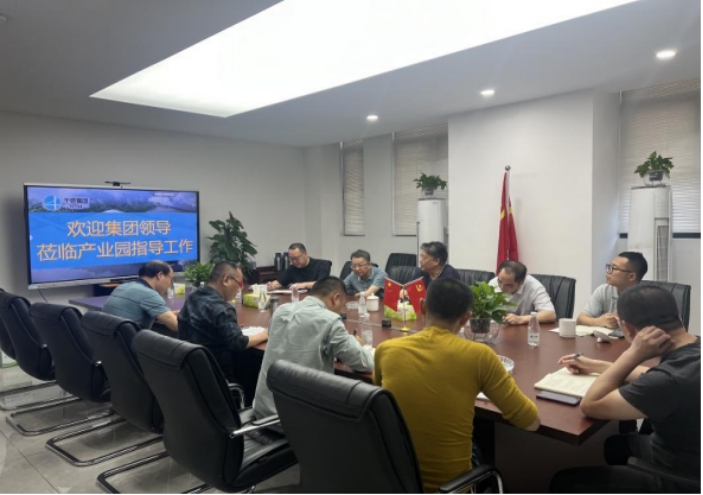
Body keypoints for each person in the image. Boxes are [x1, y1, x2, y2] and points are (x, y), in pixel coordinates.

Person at [374, 278, 541, 493]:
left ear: (422, 306)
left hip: (393, 483)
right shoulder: (479, 356)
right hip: (451, 489)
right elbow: (530, 422)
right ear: (466, 318)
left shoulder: (386, 350)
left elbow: (383, 403)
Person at [550, 285, 700, 493]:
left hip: (680, 479)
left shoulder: (667, 381)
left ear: (627, 329)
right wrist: (597, 366)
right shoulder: (692, 350)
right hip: (688, 451)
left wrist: (633, 354)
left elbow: (591, 404)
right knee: (615, 446)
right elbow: (652, 375)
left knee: (564, 481)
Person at [253, 276, 373, 423]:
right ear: (336, 298)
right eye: (342, 306)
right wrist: (357, 345)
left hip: (263, 414)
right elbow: (365, 363)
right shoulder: (329, 321)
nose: (340, 312)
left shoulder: (281, 310)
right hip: (300, 423)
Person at [179, 261, 269, 382]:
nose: (240, 289)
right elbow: (238, 343)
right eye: (239, 283)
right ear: (226, 279)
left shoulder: (193, 296)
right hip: (217, 376)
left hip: (190, 372)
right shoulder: (222, 308)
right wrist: (265, 334)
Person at [577, 251, 648, 328]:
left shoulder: (646, 299)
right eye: (609, 267)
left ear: (631, 277)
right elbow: (580, 319)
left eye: (614, 268)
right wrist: (599, 321)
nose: (608, 271)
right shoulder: (604, 290)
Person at [102, 260, 178, 331]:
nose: (170, 283)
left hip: (107, 338)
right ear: (160, 275)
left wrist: (168, 314)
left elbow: (132, 313)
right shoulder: (149, 294)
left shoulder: (123, 286)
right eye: (171, 279)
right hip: (130, 339)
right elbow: (176, 326)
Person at [489, 260, 556, 325]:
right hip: (500, 328)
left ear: (521, 281)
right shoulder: (493, 283)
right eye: (500, 281)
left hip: (525, 330)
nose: (502, 287)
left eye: (508, 285)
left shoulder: (534, 287)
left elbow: (550, 314)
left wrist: (521, 319)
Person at [266, 243, 331, 291]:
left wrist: (303, 285)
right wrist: (272, 285)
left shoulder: (322, 265)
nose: (294, 261)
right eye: (291, 259)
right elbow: (280, 282)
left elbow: (322, 284)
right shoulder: (292, 268)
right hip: (298, 299)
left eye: (297, 258)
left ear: (305, 253)